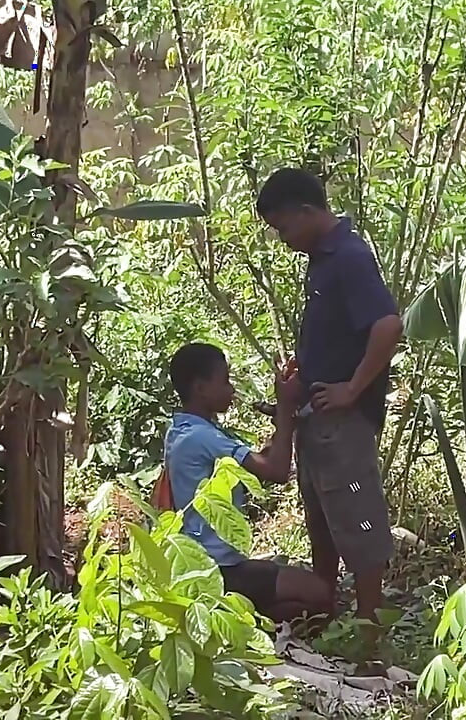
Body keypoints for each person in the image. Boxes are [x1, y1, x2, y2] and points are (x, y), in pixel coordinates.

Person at [256, 168, 403, 629]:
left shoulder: (349, 257)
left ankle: (367, 624)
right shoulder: (323, 259)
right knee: (322, 514)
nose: (282, 238)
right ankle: (328, 609)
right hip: (317, 416)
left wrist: (352, 388)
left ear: (306, 211)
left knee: (357, 519)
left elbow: (388, 325)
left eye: (283, 227)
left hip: (344, 420)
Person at [163, 342, 334, 622]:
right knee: (320, 595)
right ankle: (246, 618)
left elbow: (253, 465)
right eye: (225, 382)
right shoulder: (202, 437)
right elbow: (277, 471)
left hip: (204, 563)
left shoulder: (183, 429)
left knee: (308, 592)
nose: (231, 390)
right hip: (220, 567)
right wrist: (285, 409)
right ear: (200, 388)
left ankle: (243, 614)